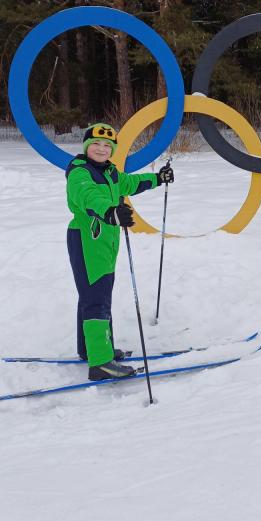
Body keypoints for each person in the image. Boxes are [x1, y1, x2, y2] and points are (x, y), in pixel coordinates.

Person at [65, 123, 175, 380]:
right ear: (85, 146)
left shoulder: (110, 172)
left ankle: (90, 349)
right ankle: (101, 363)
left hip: (105, 241)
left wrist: (158, 178)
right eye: (96, 144)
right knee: (97, 297)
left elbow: (129, 183)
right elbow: (87, 196)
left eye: (107, 145)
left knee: (93, 294)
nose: (101, 149)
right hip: (87, 239)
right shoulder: (80, 173)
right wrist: (110, 212)